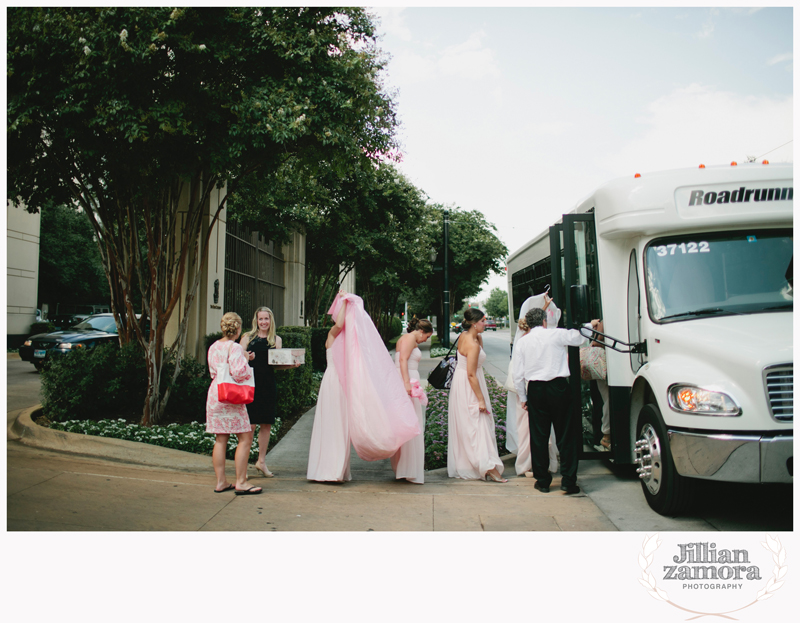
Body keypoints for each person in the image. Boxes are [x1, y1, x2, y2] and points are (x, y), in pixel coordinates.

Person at [513, 307, 599, 494]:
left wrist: (523, 398)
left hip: (535, 389)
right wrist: (590, 324)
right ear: (544, 321)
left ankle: (543, 481)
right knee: (566, 435)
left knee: (539, 437)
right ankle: (568, 481)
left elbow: (517, 375)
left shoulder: (522, 342)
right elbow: (579, 337)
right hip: (558, 387)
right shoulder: (556, 335)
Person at [447, 308, 507, 482]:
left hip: (465, 381)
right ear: (474, 323)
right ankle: (488, 467)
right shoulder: (472, 344)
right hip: (469, 384)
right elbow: (471, 374)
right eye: (483, 321)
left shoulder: (467, 336)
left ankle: (476, 464)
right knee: (478, 424)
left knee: (470, 425)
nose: (485, 324)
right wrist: (481, 399)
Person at [240, 306, 300, 478]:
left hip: (267, 384)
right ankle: (242, 465)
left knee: (266, 424)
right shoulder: (247, 338)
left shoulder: (276, 340)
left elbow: (276, 364)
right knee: (250, 426)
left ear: (270, 320)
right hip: (250, 384)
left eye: (266, 319)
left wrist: (291, 364)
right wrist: (246, 357)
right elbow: (235, 359)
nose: (264, 322)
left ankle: (261, 462)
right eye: (261, 319)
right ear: (256, 321)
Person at [206, 312, 261, 495]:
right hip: (232, 396)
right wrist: (246, 359)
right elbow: (239, 372)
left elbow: (214, 371)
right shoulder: (236, 348)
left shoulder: (214, 346)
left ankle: (221, 482)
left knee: (220, 439)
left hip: (216, 393)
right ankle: (241, 482)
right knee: (245, 438)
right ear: (237, 329)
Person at [307, 292, 351, 482]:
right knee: (333, 424)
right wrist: (346, 302)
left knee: (342, 426)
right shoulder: (333, 333)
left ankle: (338, 468)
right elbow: (339, 324)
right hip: (333, 382)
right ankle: (330, 468)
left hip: (343, 384)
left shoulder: (349, 338)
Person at [391, 317, 433, 484]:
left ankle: (405, 467)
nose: (426, 340)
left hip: (407, 379)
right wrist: (407, 383)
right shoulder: (408, 338)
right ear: (421, 331)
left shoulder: (408, 339)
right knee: (411, 423)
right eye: (427, 336)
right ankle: (407, 468)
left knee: (409, 423)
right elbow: (402, 360)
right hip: (406, 381)